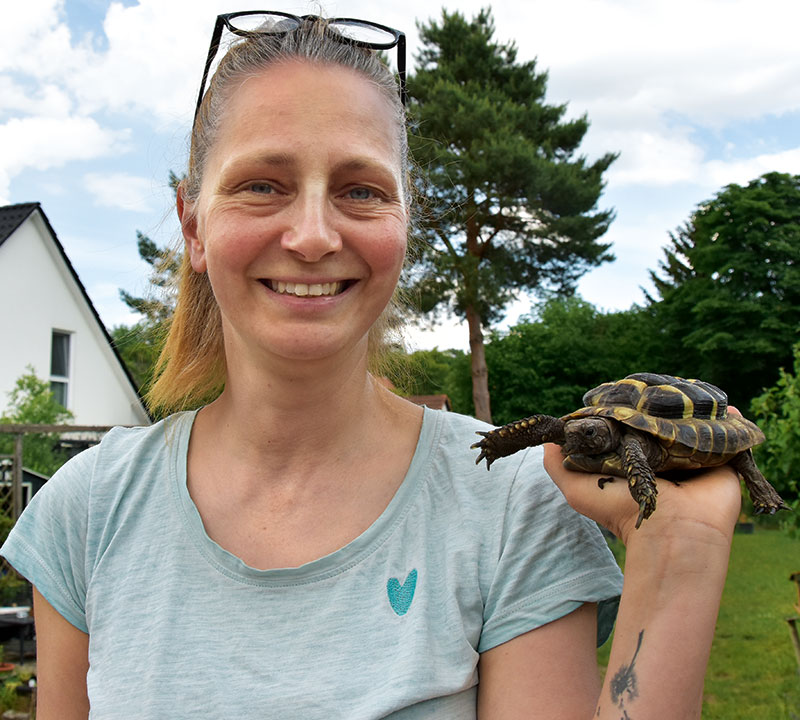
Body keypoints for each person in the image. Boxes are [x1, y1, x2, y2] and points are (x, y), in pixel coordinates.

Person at [1, 12, 741, 719]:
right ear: (193, 224)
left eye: (362, 190)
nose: (314, 235)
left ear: (405, 226)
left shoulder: (518, 509)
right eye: (263, 183)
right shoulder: (87, 511)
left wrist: (681, 552)